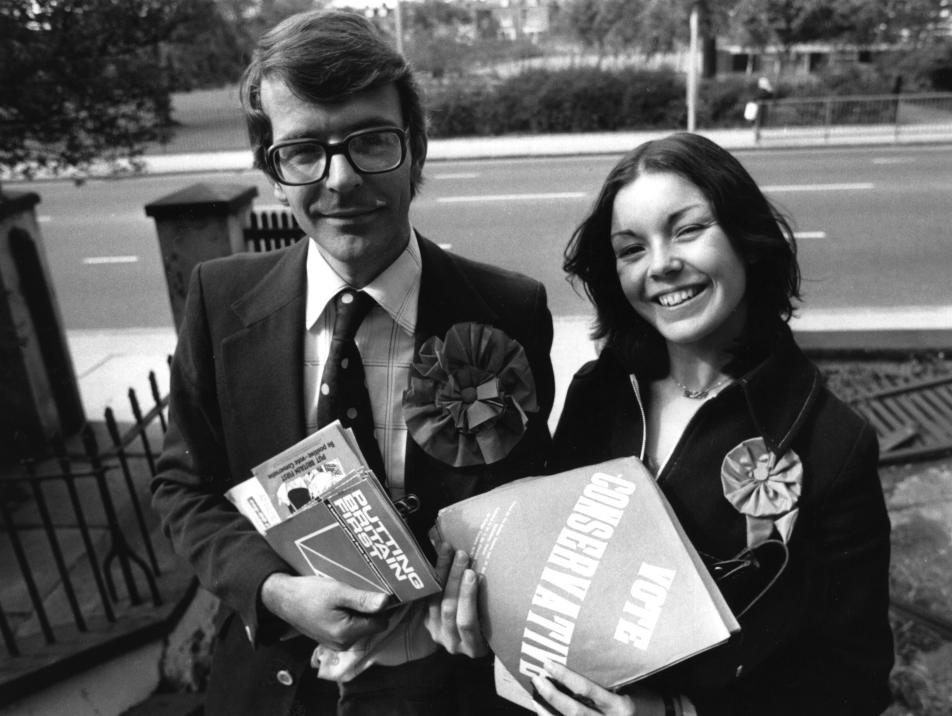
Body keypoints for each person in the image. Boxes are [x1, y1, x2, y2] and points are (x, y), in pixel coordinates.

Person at [150, 9, 554, 716]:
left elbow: (528, 498)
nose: (339, 180)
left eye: (371, 141)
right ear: (274, 172)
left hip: (447, 691)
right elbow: (185, 488)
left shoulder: (506, 311)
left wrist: (490, 593)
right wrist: (274, 591)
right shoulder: (220, 300)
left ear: (417, 150)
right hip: (274, 686)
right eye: (304, 150)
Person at [536, 132, 893, 716]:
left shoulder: (832, 442)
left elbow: (855, 681)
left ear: (746, 239)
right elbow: (545, 567)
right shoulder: (599, 392)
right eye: (631, 249)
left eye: (687, 229)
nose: (661, 265)